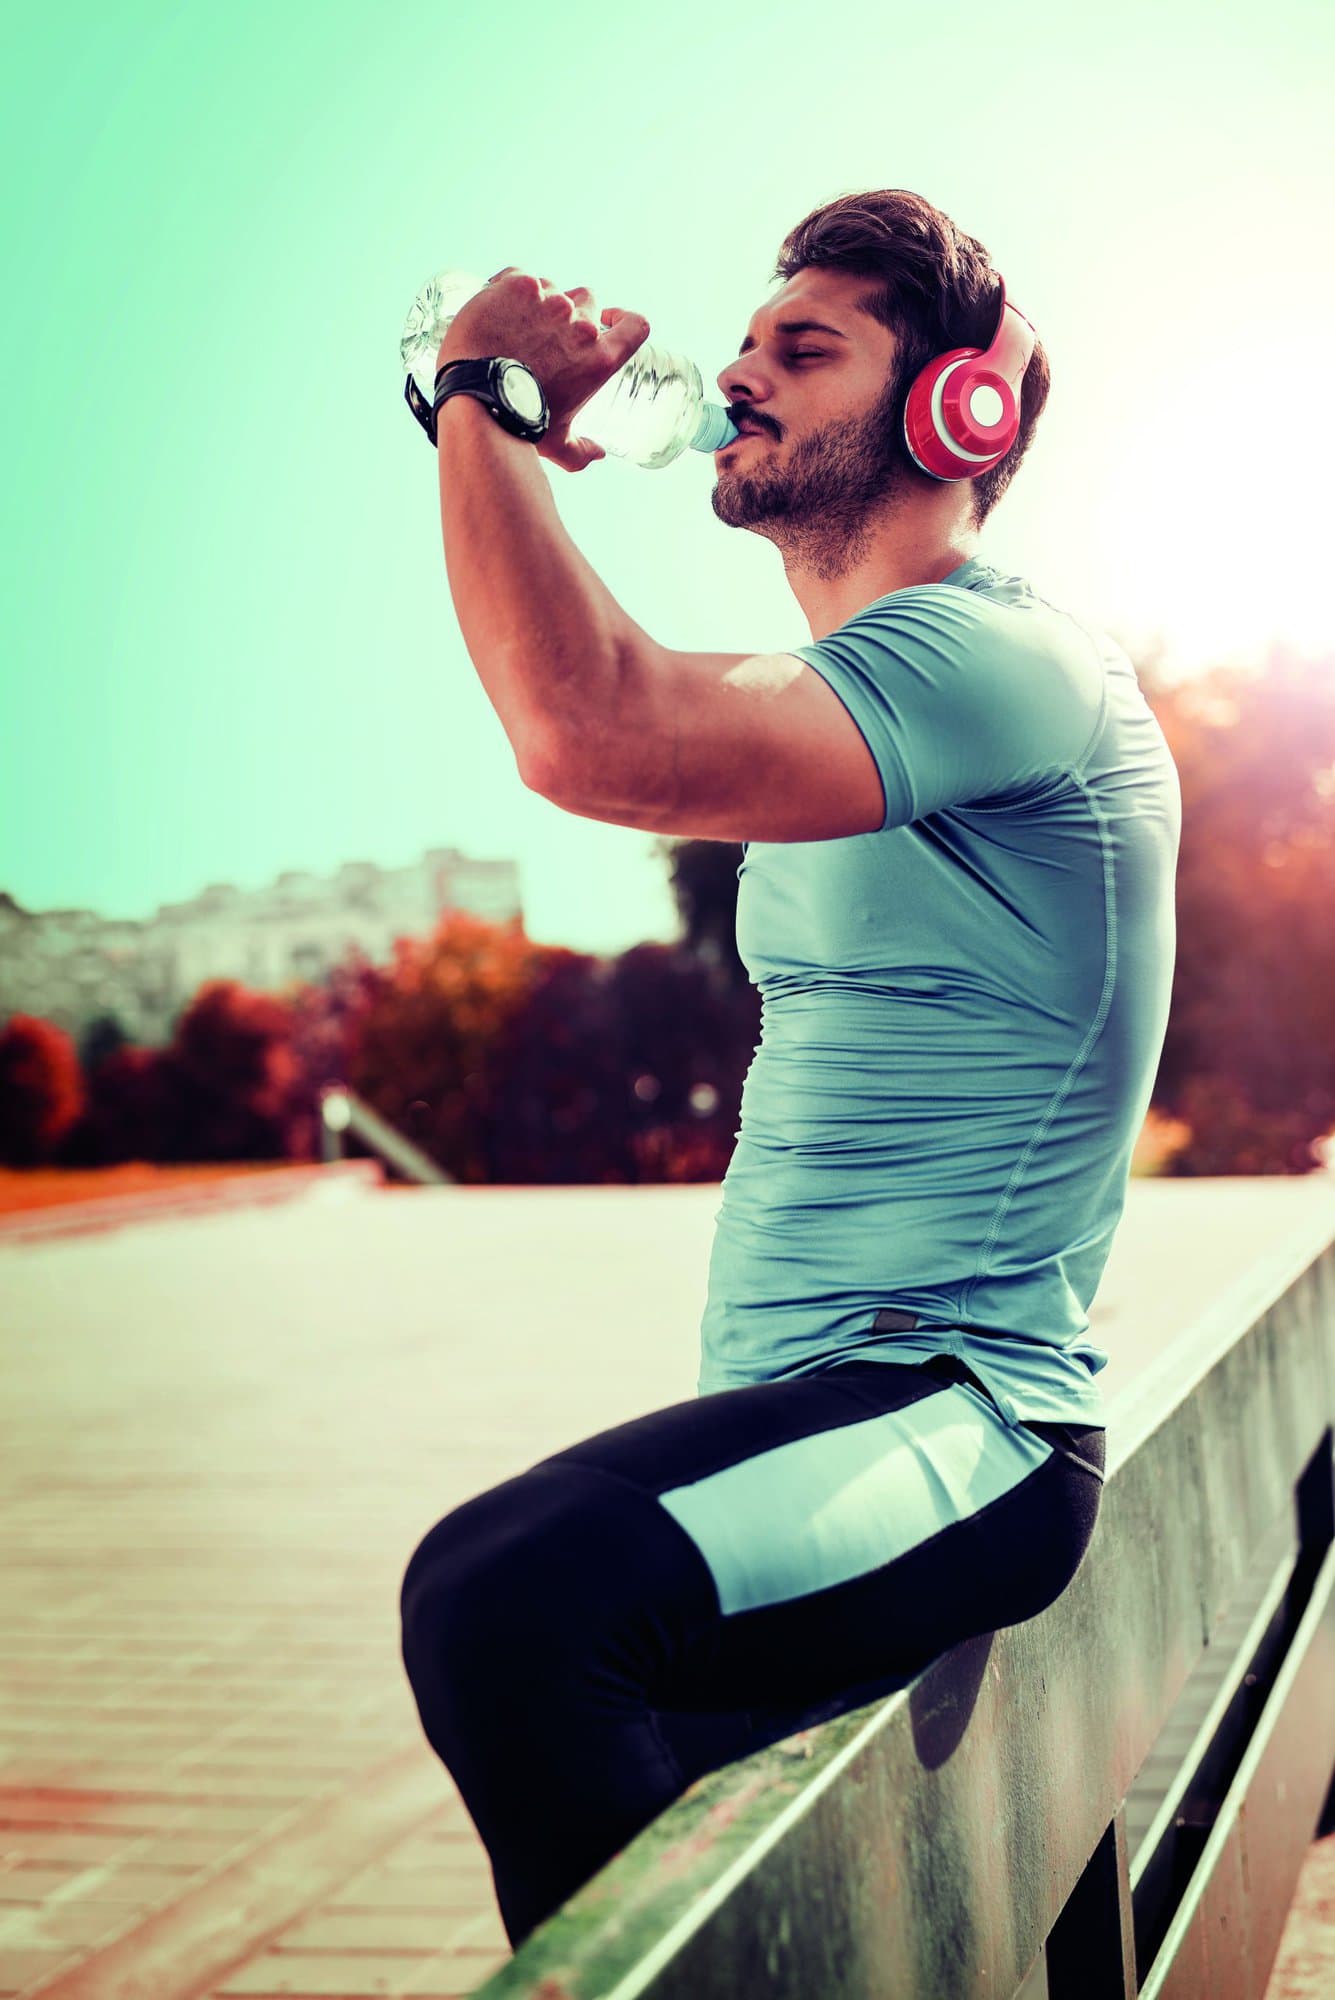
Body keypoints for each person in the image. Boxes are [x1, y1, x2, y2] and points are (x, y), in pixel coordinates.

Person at [399, 186, 1181, 1950]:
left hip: (964, 1420)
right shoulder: (841, 694)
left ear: (956, 413)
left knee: (507, 1605)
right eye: (749, 342)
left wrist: (484, 399)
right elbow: (592, 698)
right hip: (812, 1418)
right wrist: (486, 426)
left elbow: (588, 730)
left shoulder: (1007, 660)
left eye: (803, 351)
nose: (741, 375)